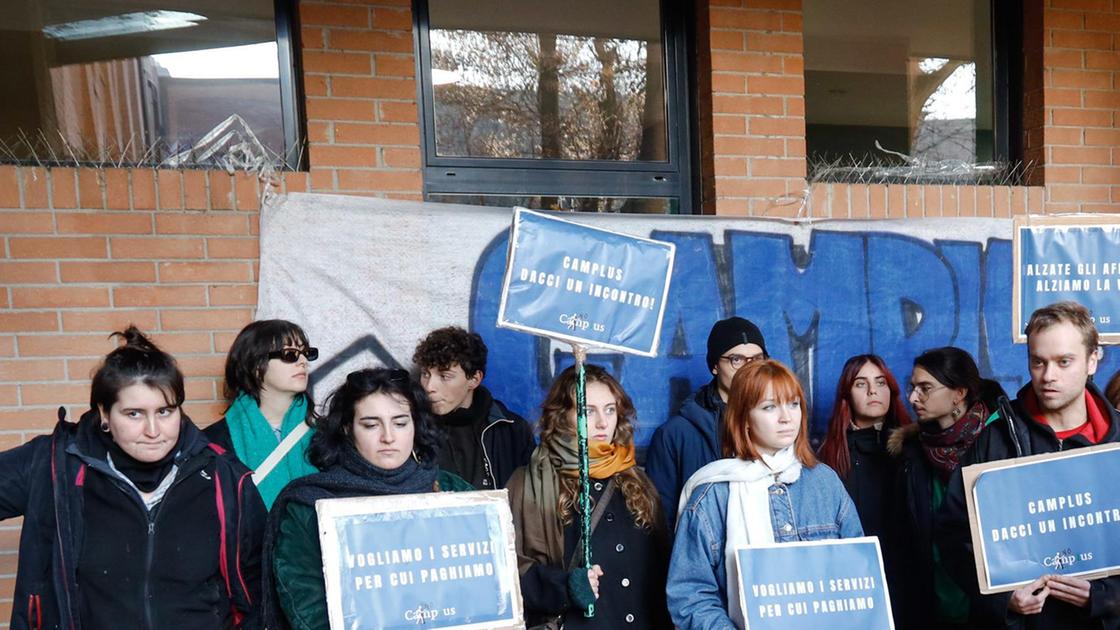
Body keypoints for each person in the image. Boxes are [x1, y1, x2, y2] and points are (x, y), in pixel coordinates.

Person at [0, 326, 265, 629]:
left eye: (165, 411)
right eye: (134, 414)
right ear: (104, 414)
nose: (153, 431)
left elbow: (259, 589)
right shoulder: (56, 464)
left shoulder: (223, 476)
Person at [937, 302, 1120, 629]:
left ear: (1093, 359)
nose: (1049, 376)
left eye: (1064, 362)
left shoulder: (1116, 442)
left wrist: (1105, 596)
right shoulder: (995, 438)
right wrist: (1001, 598)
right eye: (1038, 362)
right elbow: (952, 534)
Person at [263, 368, 472, 630]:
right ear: (348, 429)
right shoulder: (309, 507)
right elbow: (308, 608)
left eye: (400, 422)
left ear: (416, 425)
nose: (388, 437)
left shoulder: (456, 493)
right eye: (371, 425)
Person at [667, 359, 863, 629]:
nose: (787, 417)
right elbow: (690, 596)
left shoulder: (825, 482)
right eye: (770, 407)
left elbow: (858, 575)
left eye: (793, 404)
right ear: (744, 418)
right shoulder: (711, 494)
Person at [507, 365, 672, 629]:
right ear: (563, 416)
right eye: (587, 411)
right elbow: (508, 571)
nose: (602, 423)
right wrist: (564, 586)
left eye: (609, 409)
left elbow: (664, 570)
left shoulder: (638, 480)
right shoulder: (528, 483)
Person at [886, 347, 1004, 630]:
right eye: (912, 388)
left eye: (925, 388)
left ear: (959, 393)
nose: (913, 398)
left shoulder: (999, 444)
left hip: (992, 607)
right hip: (934, 606)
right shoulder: (911, 454)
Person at [645, 316, 768, 528]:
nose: (749, 369)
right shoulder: (674, 435)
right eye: (736, 360)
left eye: (757, 359)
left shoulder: (781, 424)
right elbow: (659, 524)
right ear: (714, 366)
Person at [205, 319, 319, 508]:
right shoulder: (214, 443)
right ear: (257, 366)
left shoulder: (327, 437)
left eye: (306, 353)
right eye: (290, 354)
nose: (303, 362)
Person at [412, 326, 535, 489]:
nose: (429, 387)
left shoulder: (512, 430)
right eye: (425, 374)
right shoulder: (411, 429)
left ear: (474, 379)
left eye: (444, 376)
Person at [817, 353, 911, 538]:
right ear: (847, 394)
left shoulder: (913, 447)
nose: (872, 390)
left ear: (891, 389)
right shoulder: (829, 455)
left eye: (880, 382)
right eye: (861, 383)